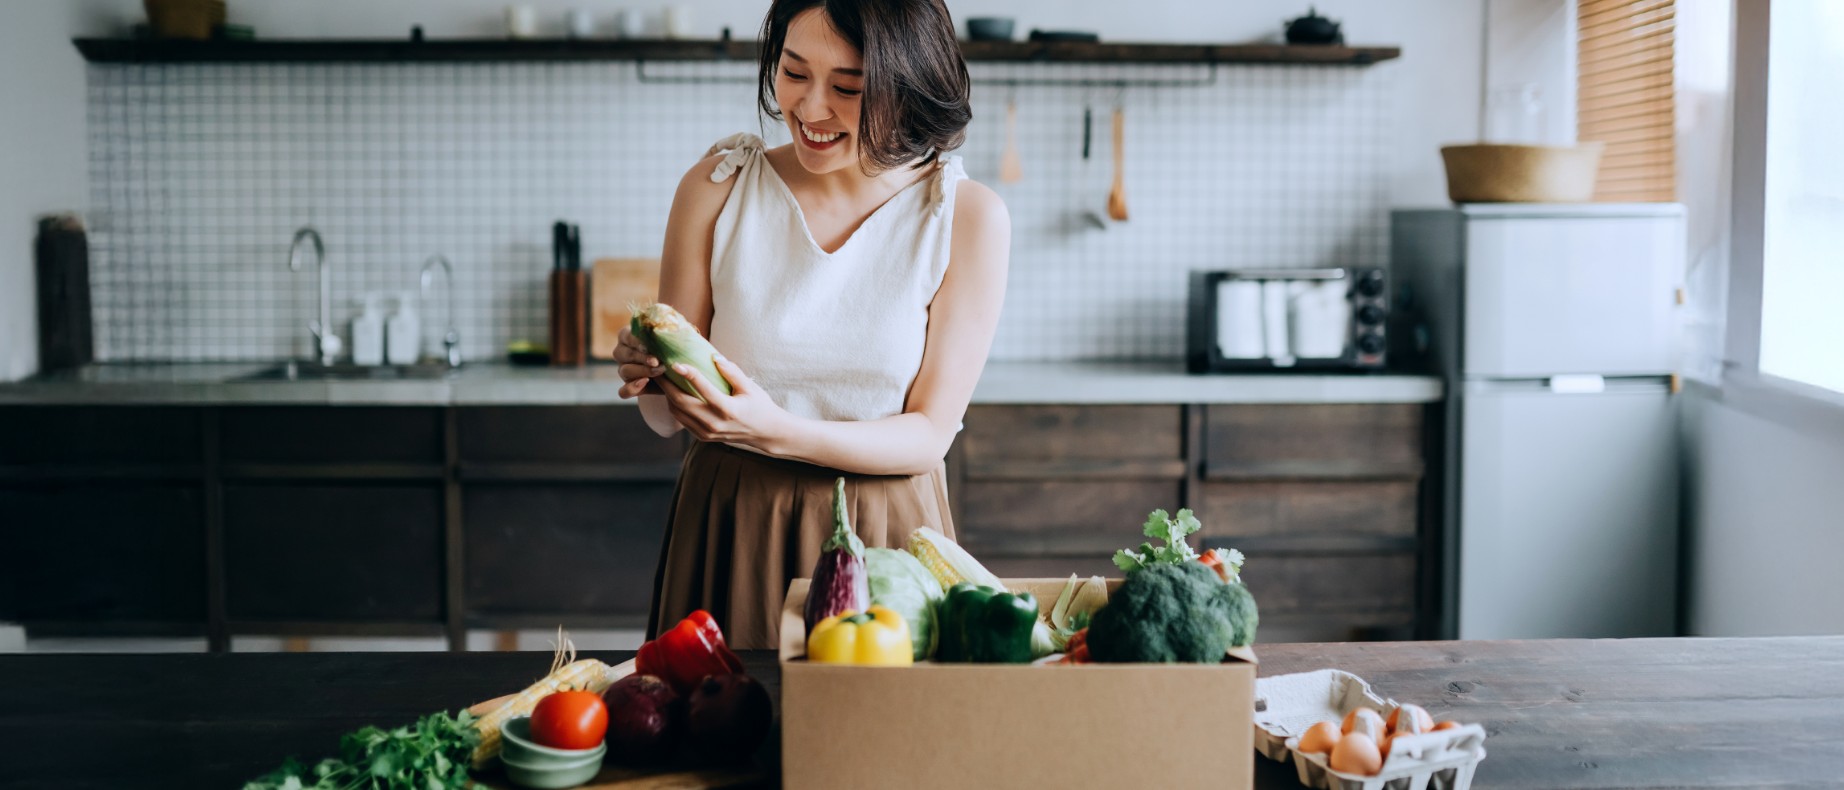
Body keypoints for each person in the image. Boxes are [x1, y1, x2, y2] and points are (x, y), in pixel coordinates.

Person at [614, 0, 1011, 649]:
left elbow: (928, 434)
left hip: (884, 532)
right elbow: (666, 416)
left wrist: (777, 431)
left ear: (907, 88)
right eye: (794, 73)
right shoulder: (718, 188)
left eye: (849, 88)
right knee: (716, 738)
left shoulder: (963, 217)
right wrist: (650, 376)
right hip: (732, 517)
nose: (811, 108)